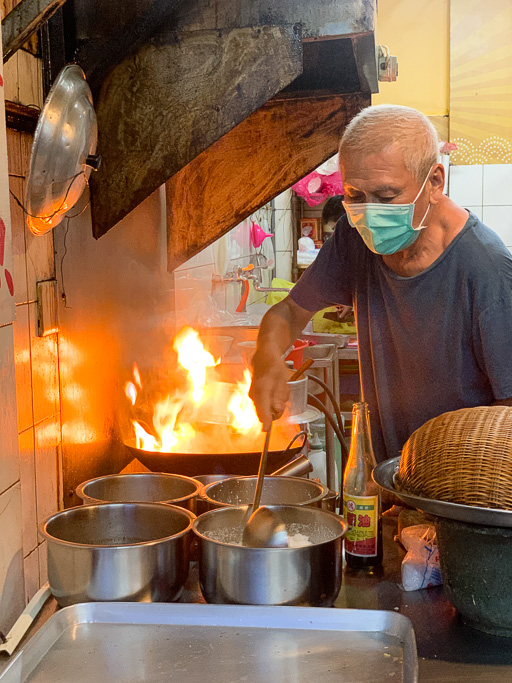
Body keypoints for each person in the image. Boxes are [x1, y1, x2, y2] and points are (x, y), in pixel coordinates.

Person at [249, 104, 512, 462]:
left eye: (387, 197)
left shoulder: (487, 269)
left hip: (459, 487)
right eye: (355, 196)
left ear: (435, 182)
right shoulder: (353, 237)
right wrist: (265, 360)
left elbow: (507, 412)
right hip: (384, 475)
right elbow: (290, 312)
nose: (369, 213)